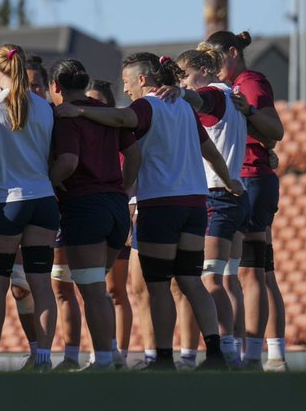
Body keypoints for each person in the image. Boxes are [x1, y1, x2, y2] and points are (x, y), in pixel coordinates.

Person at [55, 53, 242, 370]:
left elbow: (121, 120)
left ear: (142, 79)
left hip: (160, 204)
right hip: (196, 204)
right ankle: (214, 353)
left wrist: (78, 110)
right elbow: (208, 149)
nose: (126, 90)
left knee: (157, 287)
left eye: (127, 82)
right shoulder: (183, 106)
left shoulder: (146, 106)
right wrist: (228, 180)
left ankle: (164, 358)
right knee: (191, 282)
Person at [0, 45, 59, 373]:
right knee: (41, 285)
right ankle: (43, 358)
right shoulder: (46, 107)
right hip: (43, 202)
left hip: (5, 204)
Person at [205, 30, 288, 371]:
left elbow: (274, 130)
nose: (212, 67)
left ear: (233, 52)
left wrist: (250, 114)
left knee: (248, 273)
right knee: (259, 271)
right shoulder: (231, 87)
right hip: (252, 178)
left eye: (216, 58)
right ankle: (271, 354)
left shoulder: (248, 82)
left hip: (249, 179)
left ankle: (251, 356)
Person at [47, 59, 132, 371]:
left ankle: (105, 361)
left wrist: (48, 180)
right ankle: (110, 352)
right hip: (116, 206)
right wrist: (123, 187)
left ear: (56, 87)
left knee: (93, 291)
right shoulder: (106, 115)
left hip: (85, 207)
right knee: (100, 289)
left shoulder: (66, 117)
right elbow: (133, 153)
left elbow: (68, 162)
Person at [170, 45, 250, 366]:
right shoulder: (234, 97)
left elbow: (200, 101)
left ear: (204, 70)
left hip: (217, 194)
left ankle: (225, 351)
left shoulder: (215, 95)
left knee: (209, 279)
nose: (185, 84)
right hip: (234, 195)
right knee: (228, 279)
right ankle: (238, 351)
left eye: (186, 77)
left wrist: (177, 93)